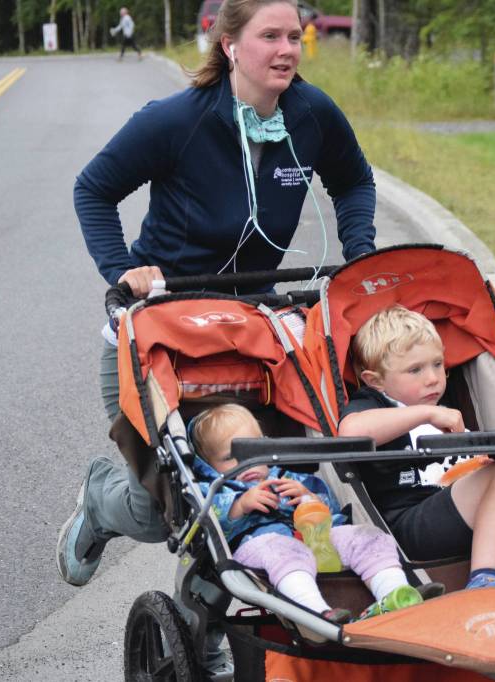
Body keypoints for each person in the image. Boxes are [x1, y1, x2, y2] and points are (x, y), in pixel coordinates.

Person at [57, 0, 375, 671]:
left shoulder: (312, 116)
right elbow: (93, 190)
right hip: (157, 335)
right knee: (165, 509)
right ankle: (101, 499)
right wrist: (124, 271)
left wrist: (361, 252)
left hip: (255, 339)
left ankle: (208, 622)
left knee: (272, 484)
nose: (287, 49)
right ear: (229, 44)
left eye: (294, 36)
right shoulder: (177, 121)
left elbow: (353, 182)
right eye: (269, 36)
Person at [337, 306, 495, 591]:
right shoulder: (375, 404)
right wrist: (425, 415)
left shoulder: (446, 409)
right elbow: (350, 431)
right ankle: (483, 577)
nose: (432, 378)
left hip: (471, 509)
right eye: (415, 370)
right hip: (412, 524)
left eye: (437, 365)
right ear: (376, 381)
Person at [189, 404, 443, 622]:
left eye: (251, 452)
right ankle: (313, 612)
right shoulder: (215, 490)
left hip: (317, 541)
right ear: (209, 466)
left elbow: (331, 510)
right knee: (283, 551)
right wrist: (239, 505)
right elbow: (208, 522)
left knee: (368, 536)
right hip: (262, 546)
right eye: (228, 458)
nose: (244, 464)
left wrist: (308, 499)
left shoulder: (290, 478)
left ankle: (396, 594)